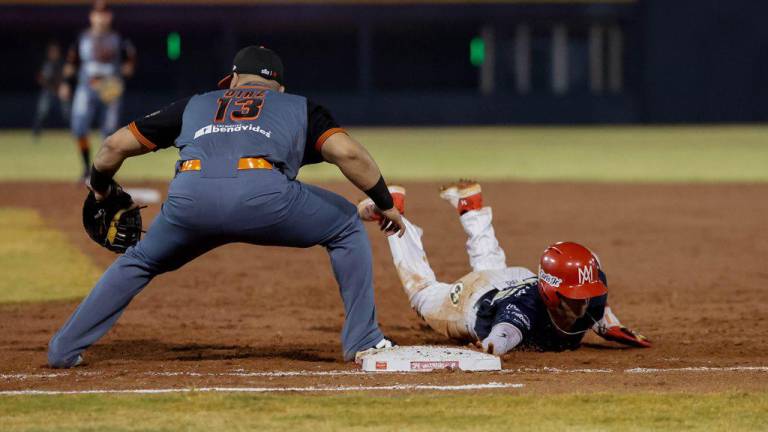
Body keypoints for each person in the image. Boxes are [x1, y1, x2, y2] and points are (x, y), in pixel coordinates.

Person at [47, 45, 404, 368]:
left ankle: (63, 348)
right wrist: (384, 202)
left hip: (190, 202)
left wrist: (99, 190)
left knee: (139, 261)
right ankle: (363, 339)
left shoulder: (197, 103)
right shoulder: (298, 106)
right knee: (344, 228)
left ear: (233, 80)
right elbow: (348, 152)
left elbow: (113, 146)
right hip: (264, 200)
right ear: (279, 87)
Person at [358, 181, 650, 355]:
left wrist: (611, 327)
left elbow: (601, 311)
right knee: (422, 293)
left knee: (492, 269)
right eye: (573, 298)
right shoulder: (523, 311)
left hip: (515, 279)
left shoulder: (591, 294)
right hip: (475, 300)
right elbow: (502, 336)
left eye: (585, 295)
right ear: (550, 294)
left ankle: (472, 209)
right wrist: (488, 348)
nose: (582, 302)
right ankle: (393, 212)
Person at [60, 1, 136, 180]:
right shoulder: (82, 38)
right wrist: (65, 82)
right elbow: (71, 63)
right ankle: (86, 167)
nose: (101, 18)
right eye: (97, 14)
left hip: (110, 93)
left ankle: (102, 172)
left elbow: (129, 64)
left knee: (109, 135)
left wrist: (122, 77)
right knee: (79, 129)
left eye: (104, 14)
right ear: (91, 16)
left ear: (110, 17)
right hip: (86, 89)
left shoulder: (119, 40)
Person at [32, 42, 70, 138]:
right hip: (48, 92)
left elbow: (67, 77)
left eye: (56, 51)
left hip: (60, 92)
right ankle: (36, 133)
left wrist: (63, 86)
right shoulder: (47, 64)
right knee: (42, 111)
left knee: (67, 112)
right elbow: (41, 79)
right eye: (52, 51)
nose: (54, 53)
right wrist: (52, 88)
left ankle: (74, 132)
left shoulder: (62, 63)